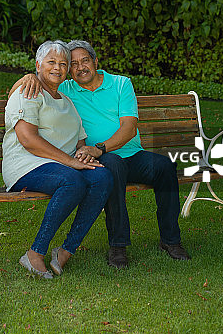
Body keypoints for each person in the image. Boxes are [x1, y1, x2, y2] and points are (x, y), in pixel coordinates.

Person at [10, 40, 190, 269]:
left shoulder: (121, 84)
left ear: (96, 61)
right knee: (112, 168)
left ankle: (171, 240)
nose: (80, 67)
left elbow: (129, 127)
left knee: (165, 166)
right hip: (100, 158)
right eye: (73, 64)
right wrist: (28, 76)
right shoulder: (65, 87)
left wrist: (101, 148)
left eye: (85, 60)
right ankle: (118, 246)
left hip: (128, 153)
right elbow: (32, 87)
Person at [3, 40, 114, 279]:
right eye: (51, 62)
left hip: (61, 166)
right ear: (38, 65)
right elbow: (28, 140)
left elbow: (79, 141)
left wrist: (83, 154)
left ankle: (66, 250)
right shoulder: (28, 92)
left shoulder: (67, 101)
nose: (58, 68)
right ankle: (34, 253)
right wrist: (72, 162)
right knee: (73, 181)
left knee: (102, 176)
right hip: (26, 165)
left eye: (63, 64)